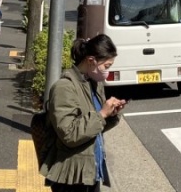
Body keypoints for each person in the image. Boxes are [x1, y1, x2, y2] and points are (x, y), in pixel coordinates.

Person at [41, 35, 127, 191]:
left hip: (90, 169)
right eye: (106, 66)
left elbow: (94, 128)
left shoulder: (94, 83)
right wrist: (101, 114)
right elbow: (69, 134)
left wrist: (111, 114)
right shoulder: (64, 87)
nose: (107, 72)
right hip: (71, 176)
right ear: (91, 60)